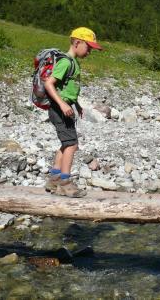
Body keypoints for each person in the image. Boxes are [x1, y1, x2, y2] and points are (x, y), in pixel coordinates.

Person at [44, 27, 103, 197]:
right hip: (59, 109)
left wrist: (76, 105)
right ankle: (65, 183)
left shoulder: (74, 62)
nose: (89, 52)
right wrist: (62, 104)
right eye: (88, 47)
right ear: (77, 42)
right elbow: (49, 84)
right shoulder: (66, 62)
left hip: (66, 108)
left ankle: (54, 179)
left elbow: (67, 88)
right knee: (72, 144)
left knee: (66, 143)